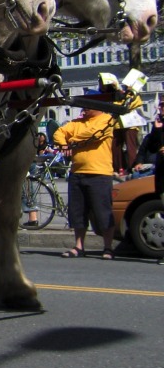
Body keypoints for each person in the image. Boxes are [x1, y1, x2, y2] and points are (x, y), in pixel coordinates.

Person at [53, 106, 117, 259]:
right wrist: (63, 144)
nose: (84, 109)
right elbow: (58, 132)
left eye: (88, 106)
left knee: (103, 212)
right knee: (77, 213)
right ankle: (79, 246)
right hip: (77, 172)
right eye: (83, 106)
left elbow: (94, 134)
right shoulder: (76, 122)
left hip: (100, 173)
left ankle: (108, 247)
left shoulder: (106, 119)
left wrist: (72, 140)